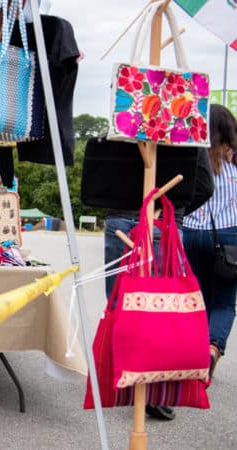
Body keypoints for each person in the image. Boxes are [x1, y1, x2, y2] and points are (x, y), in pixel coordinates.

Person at [102, 134, 214, 421]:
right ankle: (153, 387)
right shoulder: (187, 133)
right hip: (163, 220)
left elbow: (99, 174)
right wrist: (177, 209)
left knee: (122, 304)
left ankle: (124, 374)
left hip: (120, 219)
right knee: (162, 308)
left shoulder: (122, 123)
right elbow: (204, 185)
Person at [182, 104, 237, 381]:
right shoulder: (234, 163)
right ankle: (213, 347)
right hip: (229, 236)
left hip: (191, 232)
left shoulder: (193, 159)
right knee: (225, 300)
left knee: (198, 298)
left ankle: (194, 354)